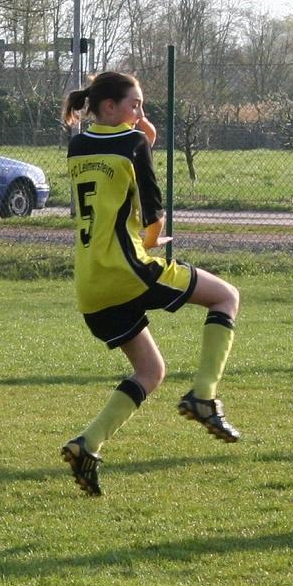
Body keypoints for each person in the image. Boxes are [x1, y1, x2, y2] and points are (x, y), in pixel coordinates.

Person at [60, 72, 242, 496]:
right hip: (128, 270)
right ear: (109, 107)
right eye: (135, 105)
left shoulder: (78, 145)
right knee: (226, 297)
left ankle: (87, 445)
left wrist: (140, 134)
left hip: (90, 283)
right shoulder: (132, 144)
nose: (141, 113)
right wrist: (150, 239)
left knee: (150, 371)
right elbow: (153, 208)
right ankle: (204, 396)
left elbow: (111, 174)